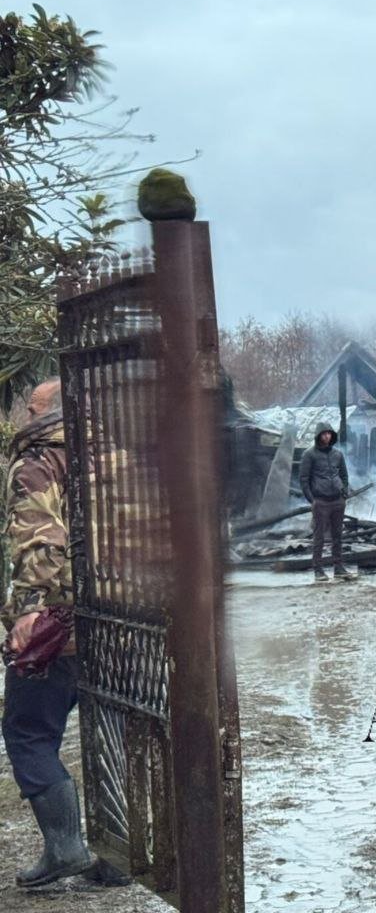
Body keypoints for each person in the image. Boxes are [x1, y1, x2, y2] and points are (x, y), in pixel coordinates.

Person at [2, 379, 94, 887]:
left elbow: (38, 538)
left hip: (59, 627)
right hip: (122, 621)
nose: (24, 414)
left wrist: (32, 612)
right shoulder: (116, 456)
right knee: (110, 733)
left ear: (47, 412)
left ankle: (67, 849)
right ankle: (114, 855)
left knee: (28, 733)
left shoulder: (40, 460)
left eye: (31, 406)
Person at [299, 421, 353, 582]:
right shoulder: (309, 454)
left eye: (329, 433)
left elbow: (344, 475)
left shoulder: (338, 454)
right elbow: (303, 479)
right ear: (318, 436)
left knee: (338, 535)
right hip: (320, 501)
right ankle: (318, 569)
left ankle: (338, 567)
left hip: (337, 500)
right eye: (324, 434)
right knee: (319, 537)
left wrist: (344, 492)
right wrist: (312, 500)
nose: (327, 436)